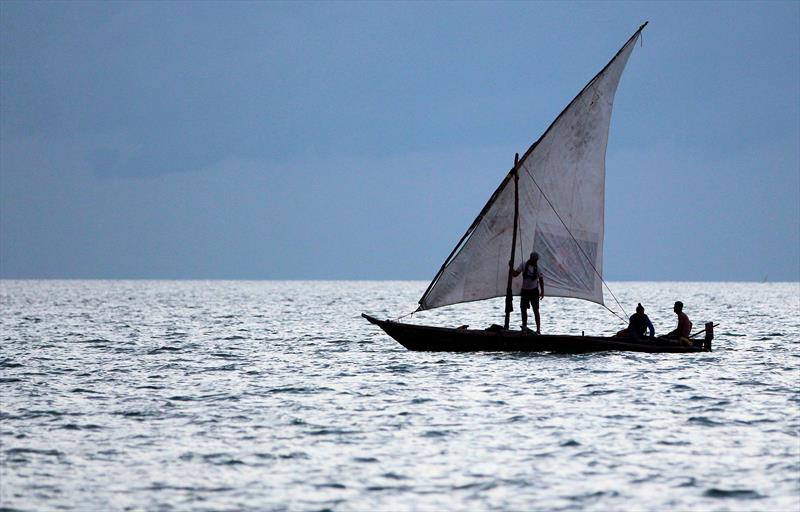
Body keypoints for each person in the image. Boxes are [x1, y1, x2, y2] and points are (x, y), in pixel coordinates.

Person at [511, 251, 544, 334]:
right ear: (531, 258)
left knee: (536, 310)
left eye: (536, 260)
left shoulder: (538, 269)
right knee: (523, 309)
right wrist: (510, 267)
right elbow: (515, 274)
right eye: (535, 259)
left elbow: (541, 279)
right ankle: (524, 327)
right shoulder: (523, 265)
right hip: (525, 291)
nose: (536, 261)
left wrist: (542, 291)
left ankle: (538, 329)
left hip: (534, 291)